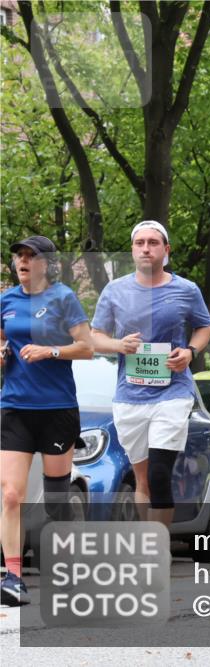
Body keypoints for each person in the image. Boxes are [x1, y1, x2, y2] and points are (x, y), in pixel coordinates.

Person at [91, 221, 210, 530]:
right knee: (143, 478)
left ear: (166, 250)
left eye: (153, 243)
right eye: (140, 243)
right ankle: (148, 543)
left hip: (172, 393)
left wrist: (190, 352)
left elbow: (204, 326)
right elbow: (95, 337)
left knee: (160, 473)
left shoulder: (186, 290)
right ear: (132, 250)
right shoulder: (115, 290)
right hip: (130, 396)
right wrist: (118, 345)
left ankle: (157, 547)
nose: (146, 248)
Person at [1, 236, 94, 606]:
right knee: (10, 494)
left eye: (30, 256)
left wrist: (50, 350)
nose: (23, 261)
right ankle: (11, 576)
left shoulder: (63, 298)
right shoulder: (6, 300)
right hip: (14, 408)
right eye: (19, 255)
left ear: (46, 264)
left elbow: (86, 348)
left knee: (56, 498)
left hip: (56, 409)